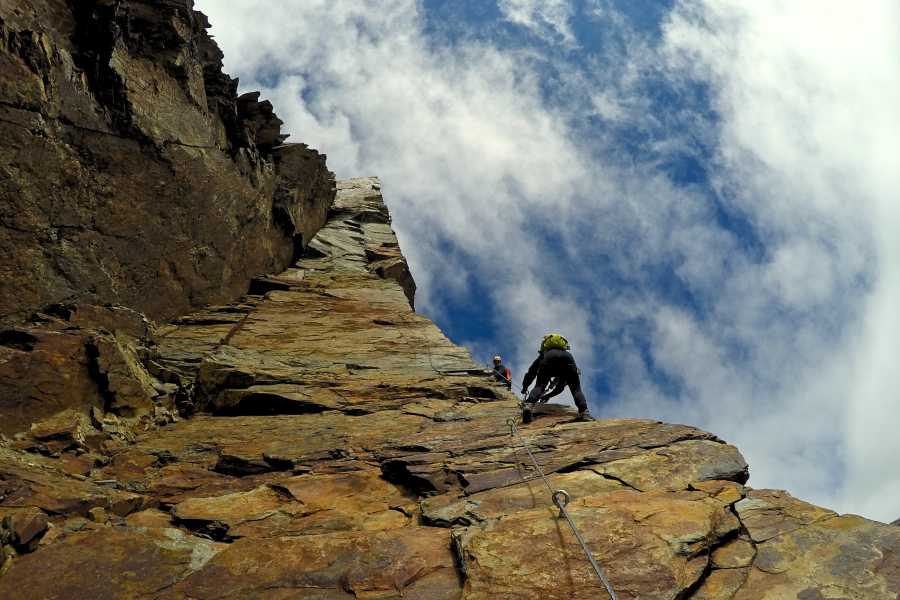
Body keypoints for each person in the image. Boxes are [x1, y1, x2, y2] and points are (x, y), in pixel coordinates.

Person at [521, 333, 592, 423]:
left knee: (540, 386)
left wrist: (525, 387)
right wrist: (548, 395)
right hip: (568, 360)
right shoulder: (566, 353)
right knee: (576, 389)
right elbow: (560, 388)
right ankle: (584, 412)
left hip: (549, 359)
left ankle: (529, 405)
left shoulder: (546, 353)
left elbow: (531, 372)